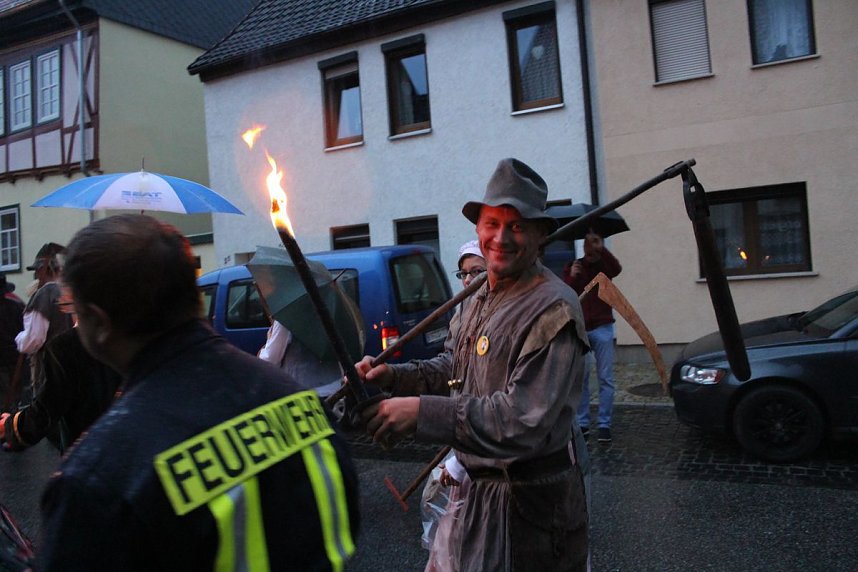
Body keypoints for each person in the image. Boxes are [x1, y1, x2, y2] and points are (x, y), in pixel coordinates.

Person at [38, 214, 359, 571]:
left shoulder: (100, 478)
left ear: (98, 322)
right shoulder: (305, 408)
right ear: (190, 296)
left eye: (73, 310)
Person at [356, 158, 590, 571]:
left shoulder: (553, 310)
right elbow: (454, 369)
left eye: (516, 226)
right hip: (475, 497)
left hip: (529, 508)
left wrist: (421, 413)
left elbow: (522, 420)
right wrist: (395, 376)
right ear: (478, 228)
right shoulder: (478, 293)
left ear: (539, 235)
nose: (501, 237)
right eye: (491, 223)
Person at [0, 326, 122, 454]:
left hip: (90, 452)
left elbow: (48, 408)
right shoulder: (133, 335)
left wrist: (11, 428)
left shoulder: (68, 345)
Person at [563, 231, 623, 443]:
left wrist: (602, 250)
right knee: (582, 378)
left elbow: (617, 269)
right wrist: (572, 276)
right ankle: (583, 423)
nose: (590, 247)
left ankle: (605, 424)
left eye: (594, 243)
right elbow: (565, 295)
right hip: (580, 329)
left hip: (603, 327)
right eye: (587, 243)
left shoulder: (604, 266)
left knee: (605, 378)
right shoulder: (574, 265)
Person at [15, 243, 74, 401]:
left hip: (50, 370)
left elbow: (33, 340)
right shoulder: (72, 291)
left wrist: (20, 338)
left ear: (42, 269)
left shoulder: (45, 294)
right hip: (73, 367)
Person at [0, 273, 25, 410]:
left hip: (8, 362)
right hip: (16, 362)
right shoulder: (17, 307)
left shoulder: (16, 307)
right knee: (13, 402)